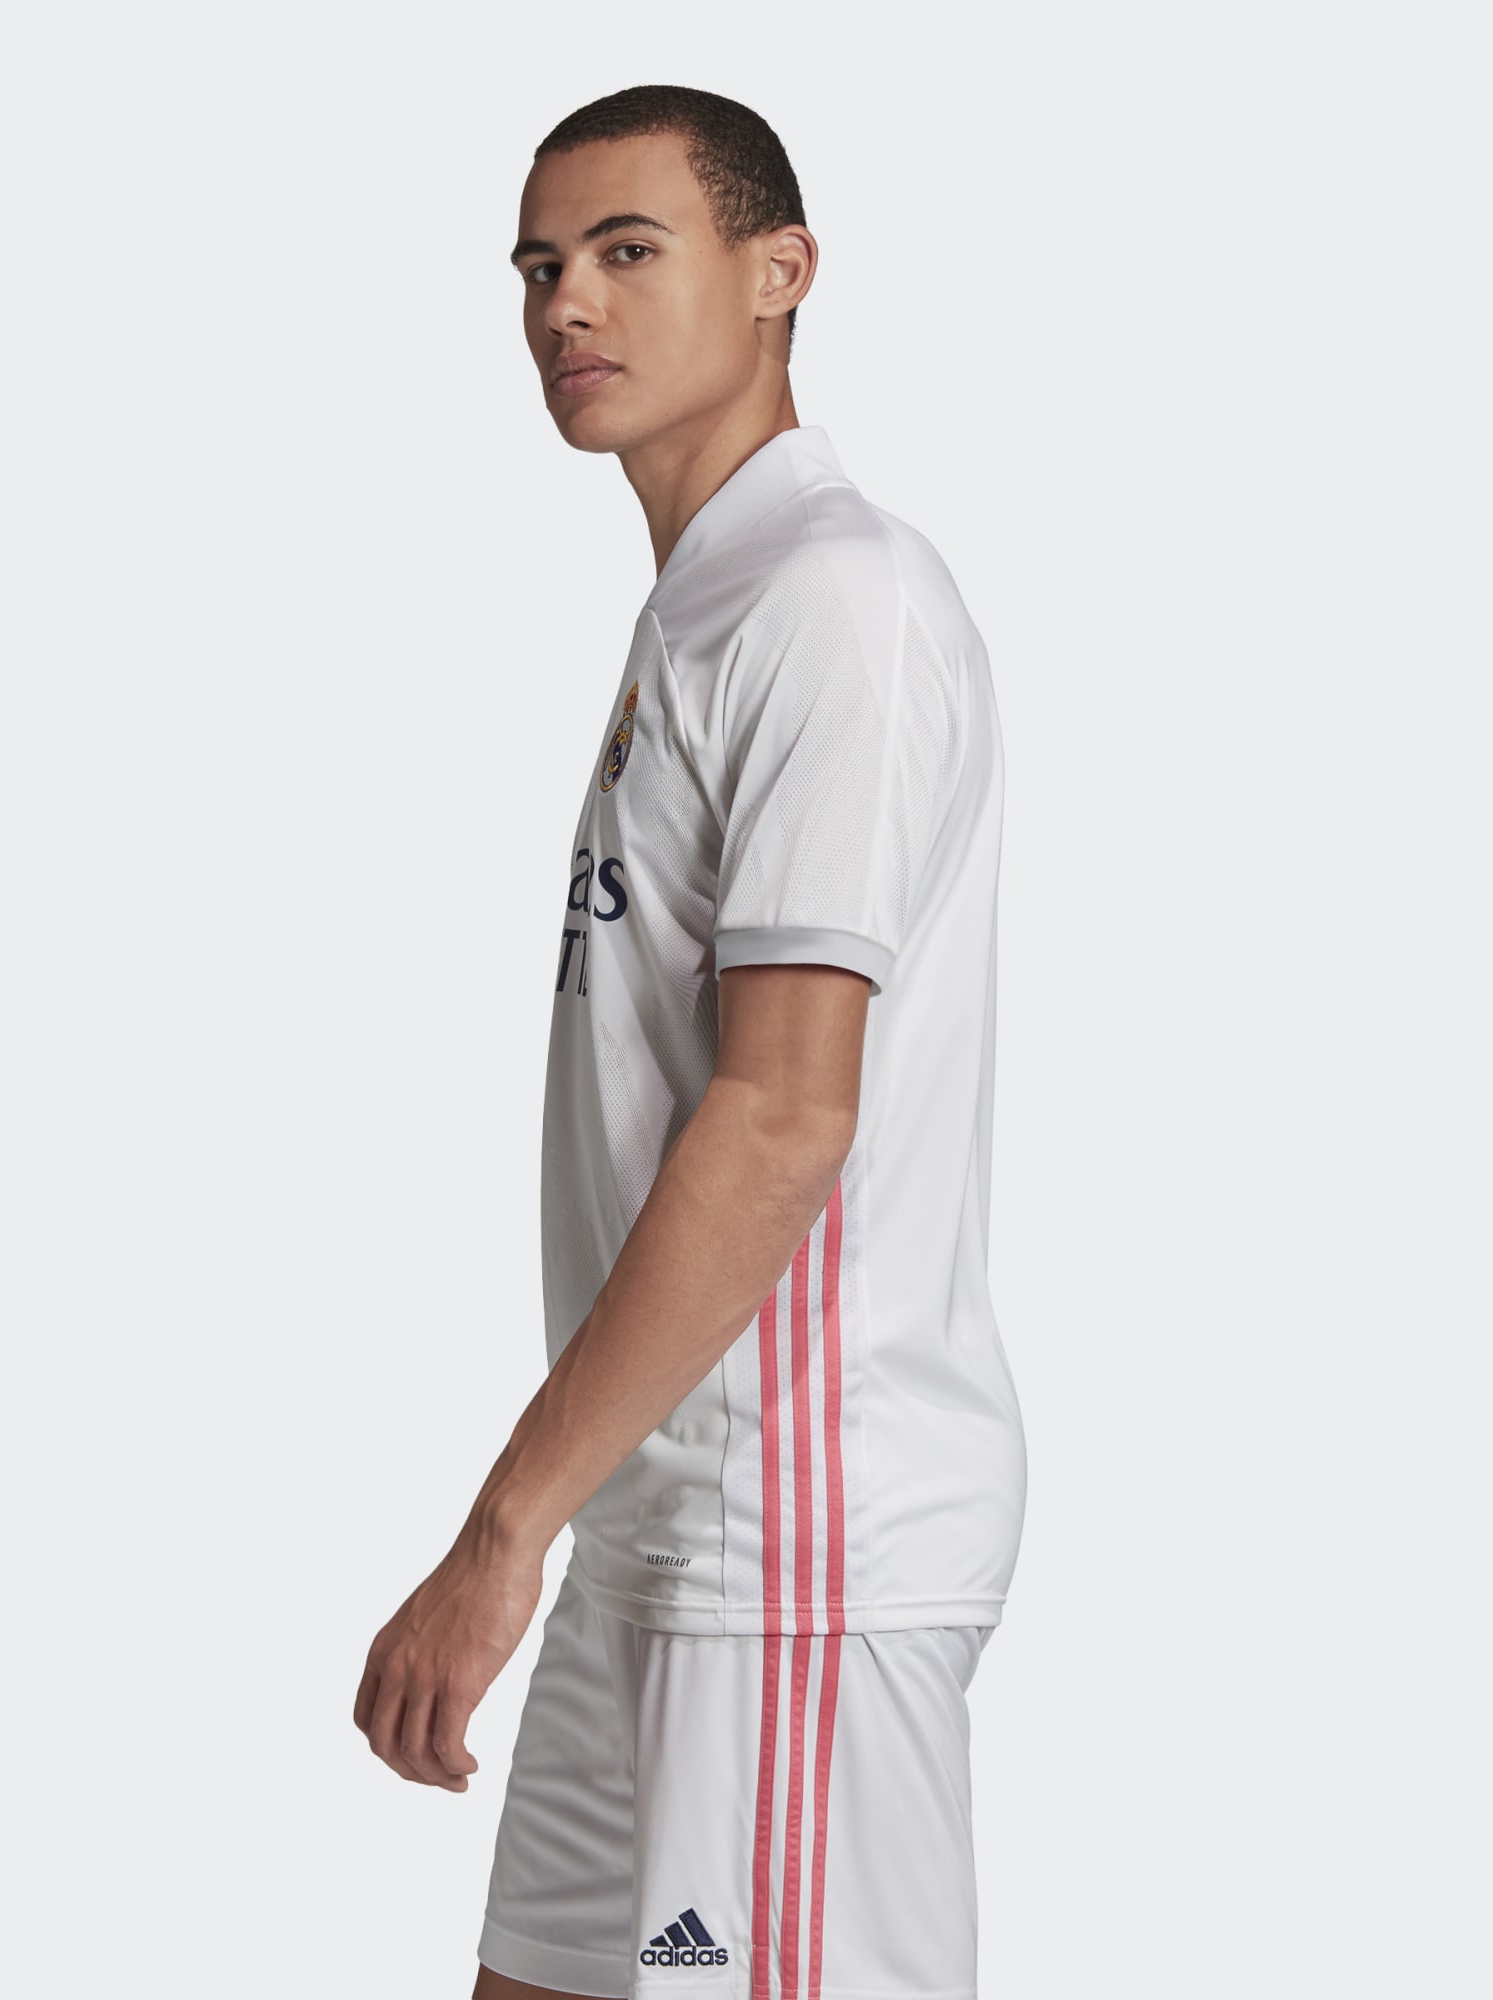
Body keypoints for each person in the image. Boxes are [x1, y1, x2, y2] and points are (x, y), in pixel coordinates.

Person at [352, 83, 1027, 2000]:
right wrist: (560, 1523)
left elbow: (783, 1118)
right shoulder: (703, 609)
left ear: (780, 271)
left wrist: (498, 1533)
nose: (566, 302)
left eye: (628, 251)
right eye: (538, 267)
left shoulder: (835, 597)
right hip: (658, 1531)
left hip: (788, 1551)